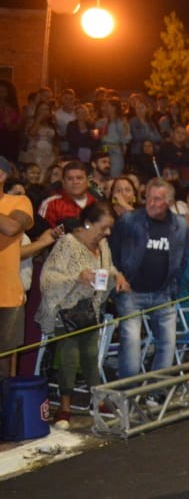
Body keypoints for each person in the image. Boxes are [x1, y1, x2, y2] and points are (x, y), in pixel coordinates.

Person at [36, 202, 127, 428]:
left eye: (109, 228)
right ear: (87, 223)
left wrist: (119, 276)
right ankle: (64, 408)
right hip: (65, 310)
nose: (107, 233)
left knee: (90, 354)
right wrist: (77, 277)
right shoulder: (67, 244)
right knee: (70, 355)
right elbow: (47, 280)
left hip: (91, 310)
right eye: (104, 227)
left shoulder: (103, 244)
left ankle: (96, 399)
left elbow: (110, 268)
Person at [109, 177, 189, 378]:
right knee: (131, 342)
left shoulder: (180, 226)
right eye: (149, 198)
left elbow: (183, 259)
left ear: (169, 202)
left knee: (168, 344)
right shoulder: (129, 220)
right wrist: (118, 276)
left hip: (163, 292)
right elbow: (111, 251)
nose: (152, 203)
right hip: (131, 292)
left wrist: (173, 288)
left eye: (158, 199)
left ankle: (157, 394)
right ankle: (128, 392)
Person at [0, 156, 34, 377]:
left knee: (3, 363)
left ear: (2, 176)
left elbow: (12, 227)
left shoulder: (19, 203)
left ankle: (5, 410)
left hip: (7, 294)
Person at [39, 161, 97, 229]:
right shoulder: (51, 204)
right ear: (63, 182)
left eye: (79, 178)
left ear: (88, 181)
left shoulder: (97, 203)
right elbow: (43, 235)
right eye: (70, 178)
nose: (75, 182)